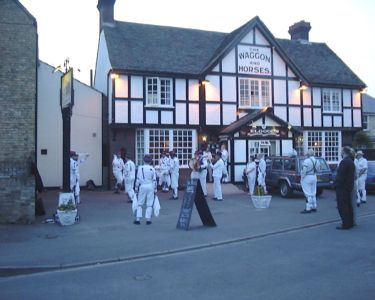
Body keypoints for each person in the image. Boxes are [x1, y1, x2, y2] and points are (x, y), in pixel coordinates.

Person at [334, 146, 355, 230]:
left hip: (342, 187)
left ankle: (345, 223)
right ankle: (350, 222)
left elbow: (341, 176)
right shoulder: (351, 161)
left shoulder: (344, 162)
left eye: (341, 151)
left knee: (342, 206)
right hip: (348, 186)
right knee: (348, 205)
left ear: (344, 152)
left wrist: (335, 184)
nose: (340, 152)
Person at [134, 154, 157, 225]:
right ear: (150, 161)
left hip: (142, 186)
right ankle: (148, 220)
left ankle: (138, 219)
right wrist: (155, 190)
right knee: (149, 203)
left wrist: (136, 188)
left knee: (140, 203)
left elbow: (137, 179)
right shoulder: (152, 169)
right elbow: (154, 180)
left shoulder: (140, 168)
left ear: (144, 160)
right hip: (150, 186)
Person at [300, 149, 318, 214]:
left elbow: (304, 171)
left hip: (307, 177)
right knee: (313, 192)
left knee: (308, 193)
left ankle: (308, 208)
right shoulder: (316, 160)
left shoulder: (306, 161)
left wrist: (302, 178)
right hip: (314, 176)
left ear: (308, 154)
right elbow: (318, 169)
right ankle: (314, 206)